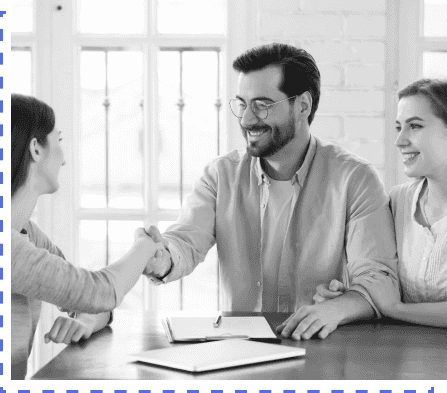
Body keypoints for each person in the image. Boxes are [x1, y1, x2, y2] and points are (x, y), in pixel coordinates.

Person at [144, 43, 398, 340]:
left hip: (321, 347)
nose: (247, 119)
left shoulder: (354, 179)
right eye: (242, 104)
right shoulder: (220, 175)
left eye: (262, 105)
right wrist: (161, 259)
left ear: (302, 105)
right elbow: (185, 242)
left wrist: (338, 308)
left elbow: (379, 279)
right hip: (239, 351)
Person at [11, 94, 170, 379]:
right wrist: (145, 246)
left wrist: (86, 319)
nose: (64, 158)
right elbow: (101, 291)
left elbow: (88, 299)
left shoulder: (29, 235)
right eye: (58, 141)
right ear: (36, 148)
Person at [313, 79, 447, 328]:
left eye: (415, 126)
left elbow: (390, 303)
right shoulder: (398, 202)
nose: (400, 141)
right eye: (399, 127)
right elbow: (381, 282)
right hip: (400, 357)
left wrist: (394, 309)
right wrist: (351, 298)